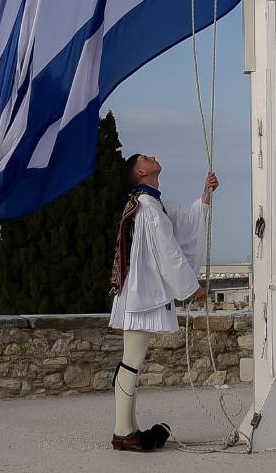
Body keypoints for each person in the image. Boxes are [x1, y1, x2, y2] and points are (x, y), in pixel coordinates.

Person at [106, 153, 216, 452]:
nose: (153, 156)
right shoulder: (149, 209)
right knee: (131, 362)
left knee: (132, 361)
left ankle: (125, 429)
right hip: (142, 296)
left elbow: (183, 220)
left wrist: (205, 196)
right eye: (146, 157)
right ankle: (123, 431)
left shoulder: (152, 205)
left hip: (140, 294)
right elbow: (169, 253)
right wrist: (192, 289)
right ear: (141, 172)